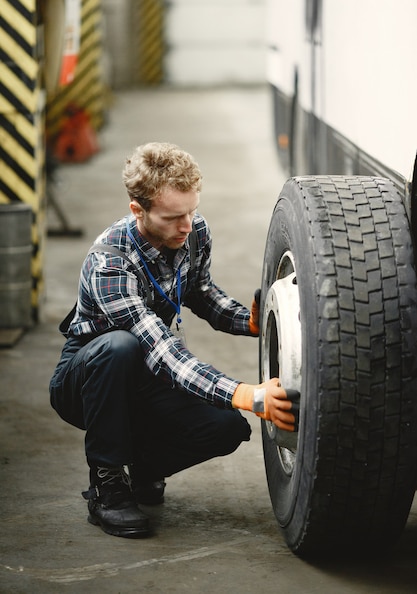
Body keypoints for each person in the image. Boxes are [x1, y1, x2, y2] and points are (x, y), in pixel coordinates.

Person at [49, 142, 298, 539]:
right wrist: (245, 394)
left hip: (146, 369)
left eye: (192, 210)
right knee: (121, 347)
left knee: (226, 428)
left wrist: (248, 322)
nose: (187, 225)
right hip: (90, 377)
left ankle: (144, 466)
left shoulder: (192, 232)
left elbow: (200, 292)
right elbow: (161, 349)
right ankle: (107, 483)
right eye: (173, 216)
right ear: (138, 210)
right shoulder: (110, 262)